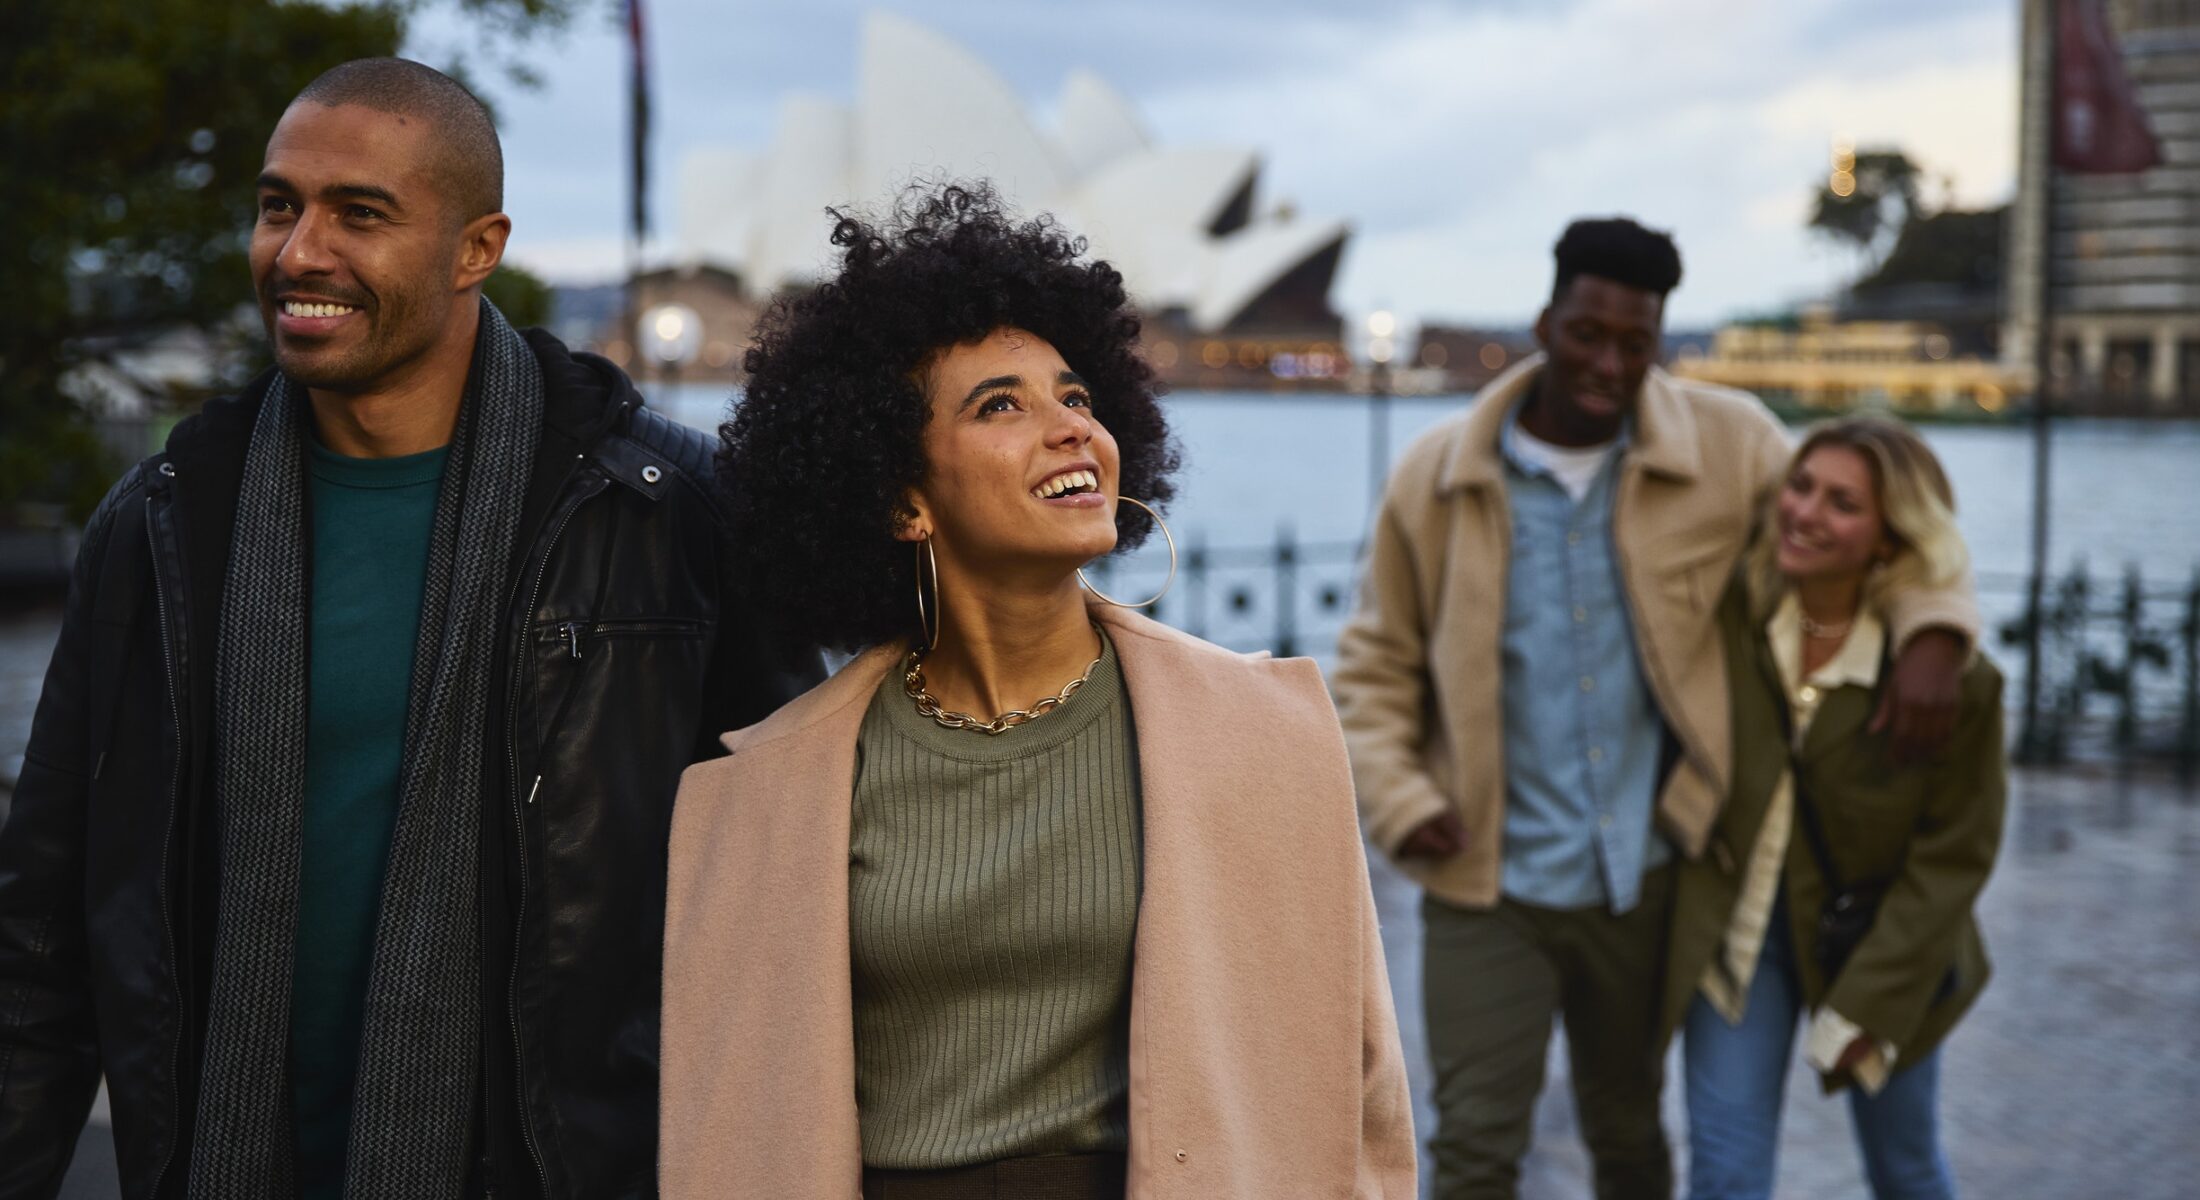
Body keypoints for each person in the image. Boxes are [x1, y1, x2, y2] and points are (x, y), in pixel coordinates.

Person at [0, 58, 818, 1200]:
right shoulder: (161, 525)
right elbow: (38, 938)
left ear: (477, 248)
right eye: (278, 204)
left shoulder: (666, 519)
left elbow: (791, 907)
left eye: (359, 214)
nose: (297, 254)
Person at [656, 182, 1416, 1199]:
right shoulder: (762, 792)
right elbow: (727, 1127)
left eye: (1076, 397)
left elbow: (1355, 1088)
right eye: (999, 405)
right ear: (901, 499)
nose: (1068, 429)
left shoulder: (1262, 735)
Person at [1332, 217, 1980, 1200]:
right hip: (1482, 882)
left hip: (1647, 880)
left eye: (1635, 342)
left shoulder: (1730, 447)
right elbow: (1373, 661)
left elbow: (1861, 521)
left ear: (1657, 341)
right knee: (1472, 1148)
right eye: (1588, 333)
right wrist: (1399, 798)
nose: (1607, 362)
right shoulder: (1436, 476)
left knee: (1631, 1141)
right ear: (1546, 322)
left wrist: (1934, 631)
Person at [1663, 417, 2004, 1200]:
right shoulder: (1739, 617)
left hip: (1884, 946)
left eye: (1843, 504)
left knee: (1905, 1170)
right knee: (1724, 1175)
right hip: (1742, 941)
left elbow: (1955, 857)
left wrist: (1869, 1009)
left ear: (1890, 537)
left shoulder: (1955, 682)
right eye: (1802, 485)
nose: (1805, 513)